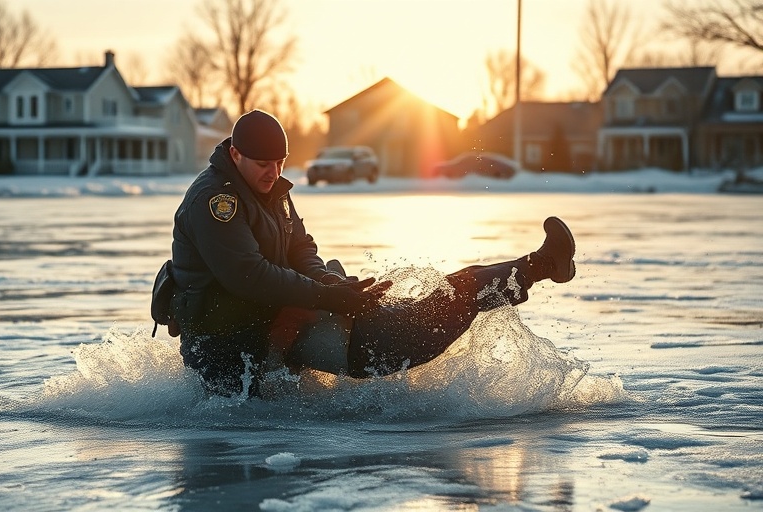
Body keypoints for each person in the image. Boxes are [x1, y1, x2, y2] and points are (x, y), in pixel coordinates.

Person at [167, 109, 576, 397]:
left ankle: (538, 265)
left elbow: (299, 247)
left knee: (441, 298)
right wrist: (328, 296)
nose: (273, 172)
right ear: (235, 155)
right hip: (228, 349)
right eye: (263, 163)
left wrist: (328, 282)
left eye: (280, 162)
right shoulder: (215, 202)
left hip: (281, 319)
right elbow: (248, 275)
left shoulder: (268, 189)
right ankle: (539, 266)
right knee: (413, 329)